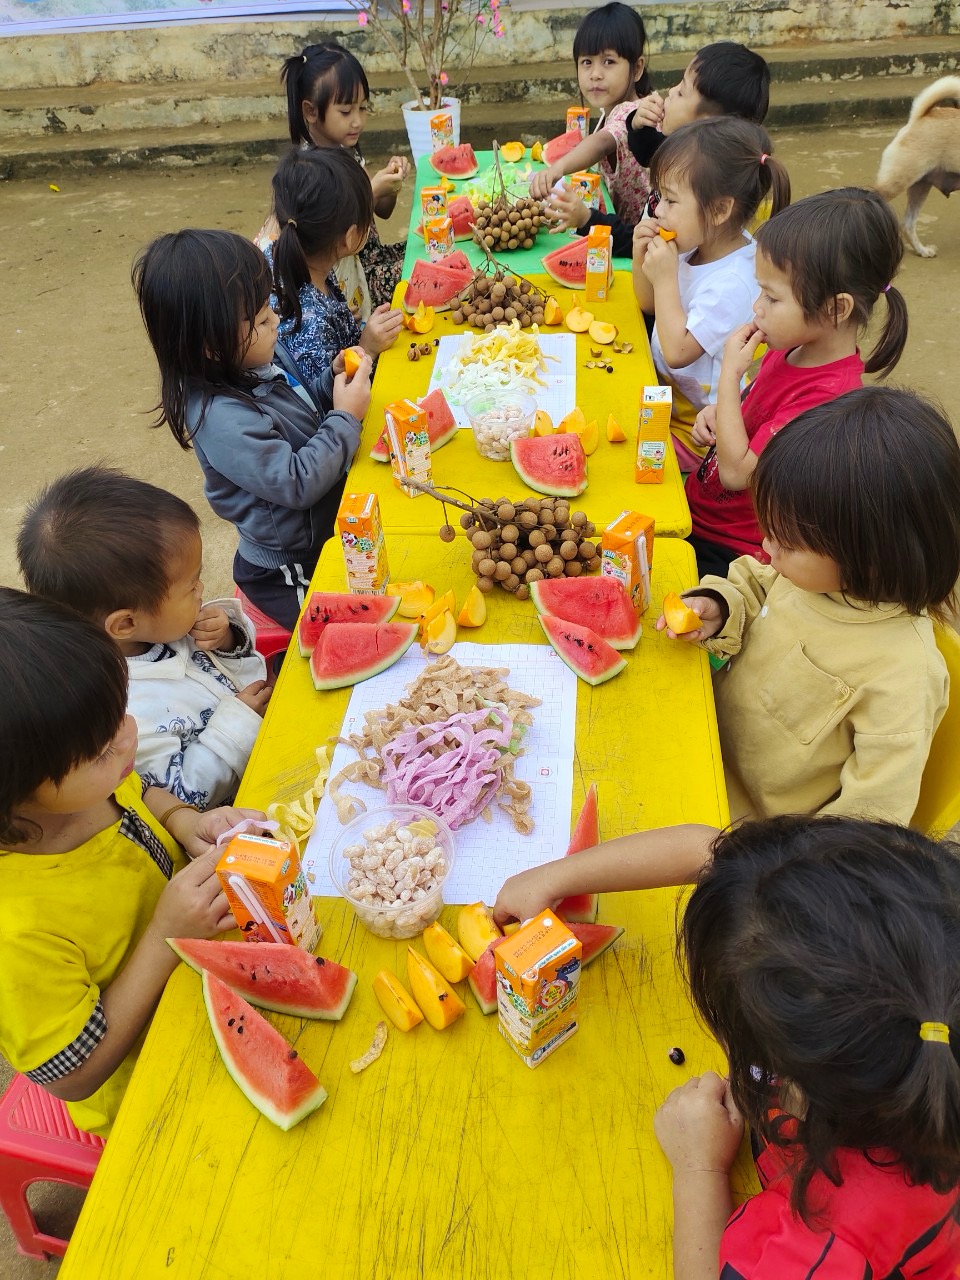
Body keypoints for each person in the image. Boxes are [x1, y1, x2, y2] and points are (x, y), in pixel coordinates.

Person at [493, 816, 960, 1277]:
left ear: (787, 1078)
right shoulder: (928, 953)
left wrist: (698, 1167)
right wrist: (553, 877)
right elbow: (706, 850)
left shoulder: (827, 1242)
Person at [0, 588, 267, 1137]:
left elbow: (141, 787)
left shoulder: (78, 786)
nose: (131, 737)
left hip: (213, 973)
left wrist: (187, 822)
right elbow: (72, 1075)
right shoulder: (16, 931)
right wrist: (166, 934)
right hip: (151, 1080)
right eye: (101, 751)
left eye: (120, 714)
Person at [659, 385, 960, 825]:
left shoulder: (905, 677)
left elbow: (869, 817)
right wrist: (719, 605)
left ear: (871, 554)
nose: (766, 546)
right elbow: (752, 585)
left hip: (746, 833)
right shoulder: (807, 575)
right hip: (697, 743)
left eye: (786, 541)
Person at [132, 228, 372, 632]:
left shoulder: (252, 358)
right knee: (335, 637)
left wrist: (329, 388)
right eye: (262, 318)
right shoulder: (219, 417)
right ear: (212, 345)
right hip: (290, 569)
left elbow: (300, 416)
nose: (275, 321)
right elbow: (296, 482)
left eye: (269, 308)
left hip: (326, 535)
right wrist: (346, 418)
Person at [17, 465, 270, 811]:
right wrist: (238, 723)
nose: (201, 590)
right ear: (124, 625)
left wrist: (228, 638)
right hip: (242, 808)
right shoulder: (121, 712)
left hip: (269, 734)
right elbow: (183, 795)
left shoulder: (168, 627)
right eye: (190, 585)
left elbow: (241, 670)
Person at [685, 187, 906, 578]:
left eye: (771, 297)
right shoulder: (789, 346)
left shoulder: (827, 401)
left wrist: (729, 378)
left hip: (738, 554)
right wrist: (720, 412)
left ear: (835, 308)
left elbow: (738, 475)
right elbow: (755, 415)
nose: (757, 308)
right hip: (699, 513)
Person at [632, 117, 790, 470]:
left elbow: (678, 352)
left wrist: (666, 278)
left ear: (719, 210)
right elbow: (646, 303)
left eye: (672, 201)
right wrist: (641, 253)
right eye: (659, 198)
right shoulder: (695, 244)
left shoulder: (734, 281)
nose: (658, 211)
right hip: (665, 402)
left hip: (699, 433)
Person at [537, 41, 771, 257]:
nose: (670, 90)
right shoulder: (688, 156)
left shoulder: (693, 194)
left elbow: (642, 241)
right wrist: (638, 124)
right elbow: (648, 152)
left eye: (681, 92)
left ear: (708, 122)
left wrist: (588, 219)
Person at [279, 41, 410, 316]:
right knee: (422, 269)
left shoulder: (346, 150)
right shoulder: (310, 172)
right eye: (346, 111)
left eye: (363, 108)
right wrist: (372, 189)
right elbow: (336, 226)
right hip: (349, 284)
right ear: (310, 111)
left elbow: (381, 213)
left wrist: (391, 186)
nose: (358, 121)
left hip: (372, 258)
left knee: (428, 251)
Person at [266, 147, 402, 387]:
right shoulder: (311, 325)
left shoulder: (280, 255)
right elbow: (331, 406)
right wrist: (367, 348)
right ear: (351, 237)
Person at [529, 3, 653, 244]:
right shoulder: (612, 109)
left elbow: (603, 142)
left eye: (608, 62)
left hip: (634, 243)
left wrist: (558, 167)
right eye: (587, 62)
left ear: (637, 69)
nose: (595, 73)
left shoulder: (634, 113)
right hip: (621, 233)